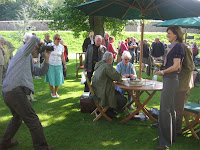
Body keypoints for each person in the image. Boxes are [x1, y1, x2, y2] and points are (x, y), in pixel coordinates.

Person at [0, 35, 53, 150]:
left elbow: (40, 72)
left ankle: (4, 143)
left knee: (17, 118)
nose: (39, 53)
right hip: (15, 91)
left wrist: (47, 58)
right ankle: (41, 147)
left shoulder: (26, 59)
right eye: (39, 50)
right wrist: (41, 42)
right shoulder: (23, 52)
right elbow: (33, 38)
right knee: (33, 120)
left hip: (7, 91)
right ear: (33, 47)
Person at [156, 26, 185, 150]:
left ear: (175, 34)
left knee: (164, 109)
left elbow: (176, 66)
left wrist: (163, 72)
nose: (167, 35)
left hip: (171, 79)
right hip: (170, 80)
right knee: (170, 108)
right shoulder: (173, 46)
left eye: (169, 33)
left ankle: (164, 142)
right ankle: (170, 138)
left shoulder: (178, 46)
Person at [92, 52, 127, 118]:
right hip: (102, 94)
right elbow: (117, 77)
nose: (112, 61)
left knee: (118, 93)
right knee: (123, 99)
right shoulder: (107, 66)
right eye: (112, 59)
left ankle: (108, 110)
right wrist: (121, 76)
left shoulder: (100, 65)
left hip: (96, 91)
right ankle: (109, 112)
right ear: (109, 60)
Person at [174, 42, 194, 135]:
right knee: (175, 106)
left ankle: (176, 129)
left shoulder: (183, 48)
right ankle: (173, 127)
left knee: (178, 107)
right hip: (179, 82)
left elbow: (188, 67)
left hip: (181, 84)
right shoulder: (182, 47)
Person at [44, 34, 66, 98]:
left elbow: (62, 56)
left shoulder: (61, 47)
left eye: (60, 39)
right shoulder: (50, 45)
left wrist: (64, 64)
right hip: (50, 64)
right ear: (55, 39)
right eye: (58, 39)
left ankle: (56, 92)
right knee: (51, 78)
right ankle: (52, 92)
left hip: (58, 64)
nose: (59, 40)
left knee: (57, 79)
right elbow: (46, 54)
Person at [19, 33, 38, 102]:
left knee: (29, 82)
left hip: (28, 67)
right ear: (27, 39)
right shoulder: (22, 46)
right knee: (25, 83)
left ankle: (30, 97)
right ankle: (26, 98)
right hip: (23, 68)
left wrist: (32, 60)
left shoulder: (27, 46)